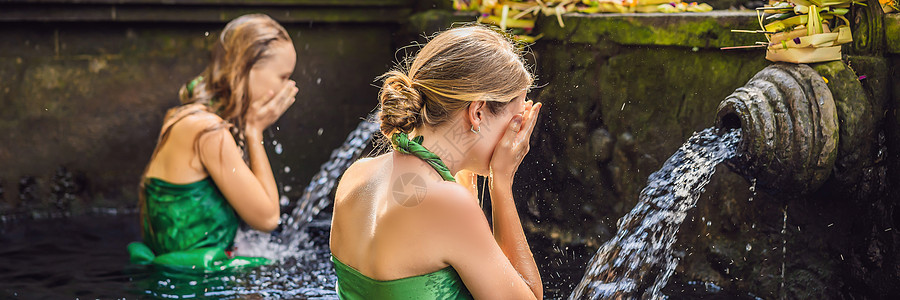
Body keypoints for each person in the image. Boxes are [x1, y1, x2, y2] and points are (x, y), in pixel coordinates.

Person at [329, 25, 543, 299]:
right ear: (477, 112)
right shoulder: (449, 203)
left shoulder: (356, 175)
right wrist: (501, 181)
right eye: (516, 119)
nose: (521, 132)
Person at [127, 14, 298, 272]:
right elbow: (268, 218)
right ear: (247, 69)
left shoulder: (184, 117)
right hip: (193, 283)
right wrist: (254, 132)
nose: (291, 87)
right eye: (283, 77)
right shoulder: (208, 131)